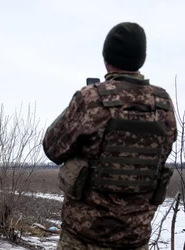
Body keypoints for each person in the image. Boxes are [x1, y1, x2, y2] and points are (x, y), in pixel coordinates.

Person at [43, 22, 177, 249]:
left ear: (106, 58)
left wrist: (78, 104)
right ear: (141, 59)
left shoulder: (91, 99)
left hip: (83, 239)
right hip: (134, 239)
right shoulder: (163, 105)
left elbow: (52, 148)